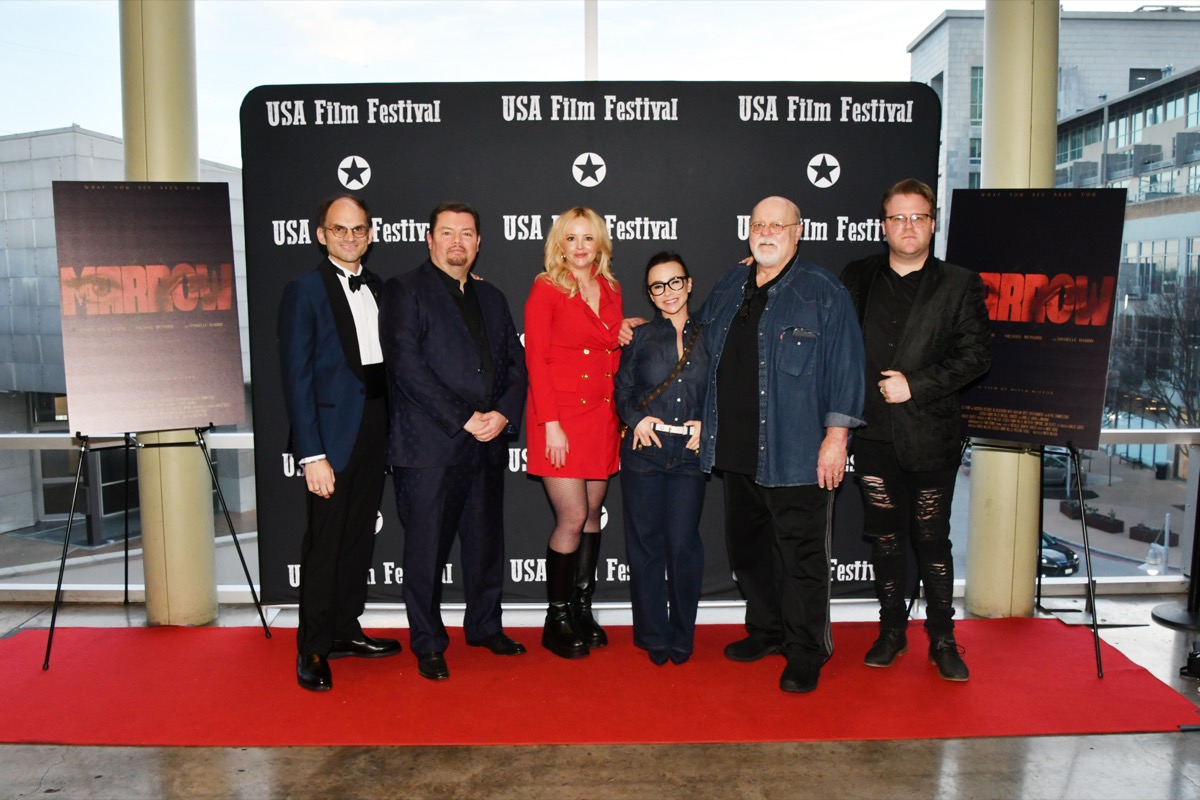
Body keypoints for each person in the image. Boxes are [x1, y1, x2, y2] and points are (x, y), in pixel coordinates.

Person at [695, 195, 865, 694]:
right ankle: (767, 631)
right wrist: (646, 328)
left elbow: (848, 370)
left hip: (797, 451)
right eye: (758, 224)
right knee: (749, 553)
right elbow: (697, 334)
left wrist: (836, 439)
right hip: (736, 450)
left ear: (798, 232)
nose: (766, 232)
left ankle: (806, 649)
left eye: (778, 225)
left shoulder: (823, 292)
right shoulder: (731, 282)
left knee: (802, 558)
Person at [840, 178, 991, 682]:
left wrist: (916, 385)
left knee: (931, 539)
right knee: (884, 540)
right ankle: (891, 631)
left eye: (918, 217)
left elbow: (975, 357)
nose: (908, 226)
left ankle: (944, 638)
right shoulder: (856, 276)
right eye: (898, 217)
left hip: (930, 436)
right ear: (883, 225)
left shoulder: (959, 283)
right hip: (873, 435)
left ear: (932, 222)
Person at [379, 201, 528, 681]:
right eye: (448, 233)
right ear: (430, 239)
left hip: (486, 443)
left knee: (485, 544)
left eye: (467, 233)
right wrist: (465, 418)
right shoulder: (406, 290)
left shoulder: (493, 298)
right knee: (425, 549)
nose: (458, 242)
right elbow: (406, 367)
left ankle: (485, 626)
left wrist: (502, 414)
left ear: (479, 243)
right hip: (430, 447)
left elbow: (513, 367)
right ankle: (428, 641)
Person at [278, 193, 402, 692]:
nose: (350, 237)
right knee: (325, 542)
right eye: (339, 229)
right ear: (320, 234)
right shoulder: (303, 291)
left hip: (377, 427)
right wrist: (312, 453)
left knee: (357, 538)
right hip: (330, 437)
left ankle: (346, 629)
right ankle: (312, 644)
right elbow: (296, 378)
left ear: (369, 234)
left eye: (358, 229)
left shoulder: (378, 286)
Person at [524, 207, 625, 659]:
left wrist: (625, 330)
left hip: (601, 419)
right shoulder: (546, 288)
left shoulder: (611, 288)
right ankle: (556, 617)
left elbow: (608, 347)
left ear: (600, 244)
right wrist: (551, 426)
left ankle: (583, 609)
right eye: (571, 238)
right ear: (559, 244)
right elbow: (537, 361)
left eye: (588, 238)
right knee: (571, 517)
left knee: (591, 515)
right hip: (560, 419)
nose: (580, 246)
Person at [615, 251, 708, 666]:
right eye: (657, 286)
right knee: (646, 546)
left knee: (683, 546)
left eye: (674, 282)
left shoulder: (711, 334)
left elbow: (726, 389)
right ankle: (653, 633)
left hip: (689, 455)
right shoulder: (638, 338)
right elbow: (622, 390)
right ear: (650, 294)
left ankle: (682, 633)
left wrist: (708, 425)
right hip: (644, 454)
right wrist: (636, 420)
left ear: (688, 284)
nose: (667, 292)